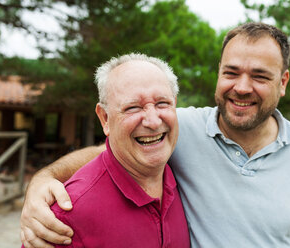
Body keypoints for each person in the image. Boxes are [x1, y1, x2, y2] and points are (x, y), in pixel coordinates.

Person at [21, 23, 290, 248]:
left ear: (283, 82)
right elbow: (111, 150)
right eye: (231, 72)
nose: (242, 87)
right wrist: (42, 180)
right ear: (219, 73)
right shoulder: (178, 127)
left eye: (260, 76)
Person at [22, 53, 190, 247]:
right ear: (104, 118)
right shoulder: (64, 216)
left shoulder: (184, 173)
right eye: (133, 107)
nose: (153, 121)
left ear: (175, 105)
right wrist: (41, 178)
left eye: (162, 103)